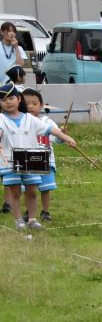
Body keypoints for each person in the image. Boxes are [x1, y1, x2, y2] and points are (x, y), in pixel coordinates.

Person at [0, 82, 77, 228]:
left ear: (19, 99)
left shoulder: (30, 119)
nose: (8, 102)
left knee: (32, 191)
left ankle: (32, 219)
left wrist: (67, 138)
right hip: (10, 162)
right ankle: (18, 221)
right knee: (15, 192)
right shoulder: (1, 119)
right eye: (3, 100)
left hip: (31, 159)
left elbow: (50, 130)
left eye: (11, 98)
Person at [18, 90, 58, 223]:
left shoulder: (47, 121)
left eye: (34, 103)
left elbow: (58, 138)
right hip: (27, 160)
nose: (30, 106)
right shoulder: (20, 121)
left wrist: (63, 134)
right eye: (26, 103)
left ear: (41, 105)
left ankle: (45, 211)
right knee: (29, 189)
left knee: (46, 188)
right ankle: (29, 211)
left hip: (46, 160)